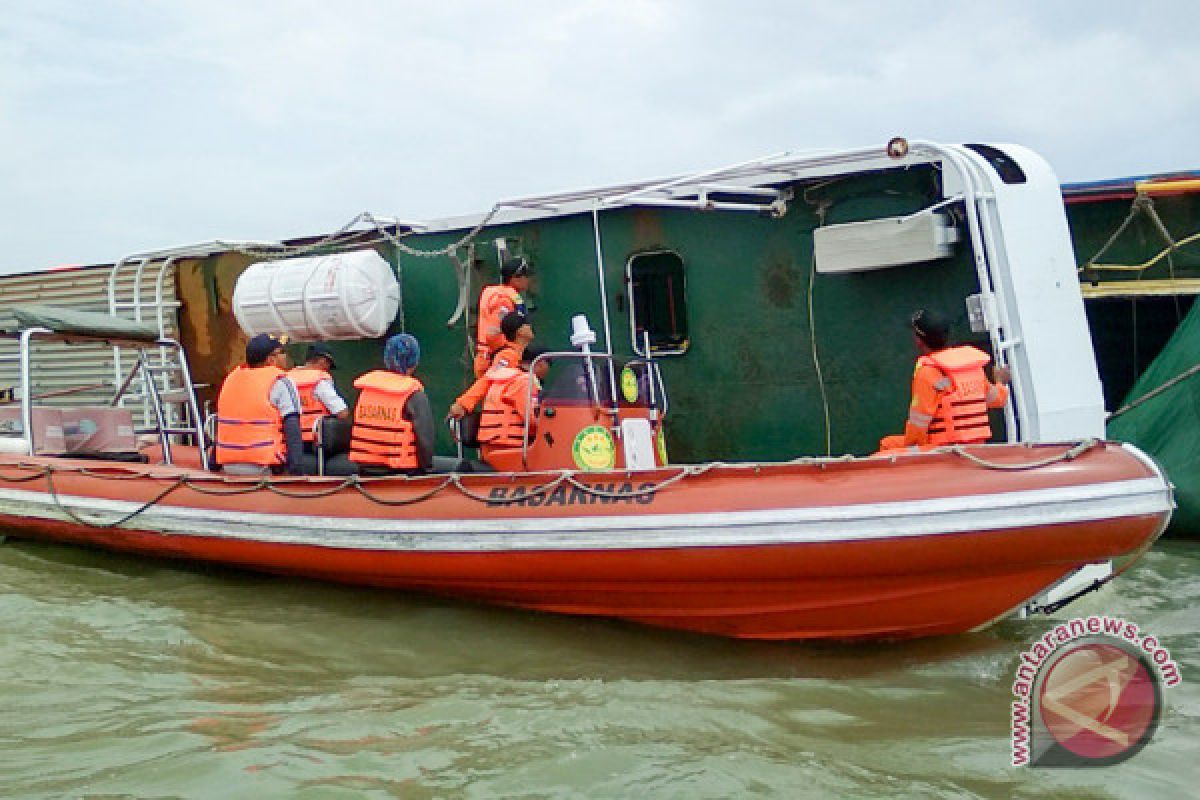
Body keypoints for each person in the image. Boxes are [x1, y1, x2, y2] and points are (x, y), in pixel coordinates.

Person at [878, 309, 1011, 452]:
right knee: (891, 443)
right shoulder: (972, 368)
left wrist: (913, 451)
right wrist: (1000, 382)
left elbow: (918, 424)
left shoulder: (927, 372)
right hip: (977, 446)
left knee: (886, 447)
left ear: (918, 341)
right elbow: (997, 399)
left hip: (943, 450)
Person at [214, 333, 304, 475]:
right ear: (271, 360)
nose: (285, 356)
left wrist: (213, 465)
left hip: (228, 465)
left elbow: (223, 426)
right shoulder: (280, 381)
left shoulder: (231, 379)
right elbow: (292, 426)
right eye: (281, 353)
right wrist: (296, 473)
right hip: (264, 467)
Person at [348, 333, 435, 475]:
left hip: (366, 470)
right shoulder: (414, 395)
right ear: (414, 362)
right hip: (402, 473)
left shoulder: (366, 391)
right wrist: (428, 470)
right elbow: (425, 439)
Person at [473, 257, 530, 377]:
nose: (528, 280)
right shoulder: (502, 300)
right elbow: (494, 333)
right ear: (515, 278)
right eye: (525, 275)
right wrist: (507, 352)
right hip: (492, 358)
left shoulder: (506, 295)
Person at [287, 343, 349, 445]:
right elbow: (342, 412)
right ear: (322, 361)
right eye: (328, 365)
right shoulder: (319, 381)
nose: (328, 369)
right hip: (315, 442)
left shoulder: (287, 378)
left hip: (290, 440)